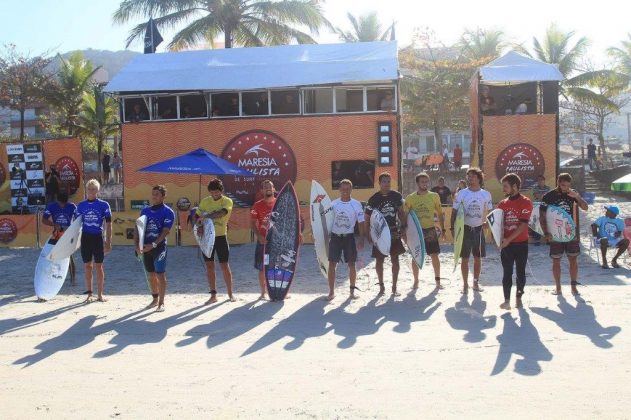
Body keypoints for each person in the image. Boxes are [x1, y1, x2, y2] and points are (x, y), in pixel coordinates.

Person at [540, 173, 589, 296]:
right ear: (558, 182)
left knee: (573, 259)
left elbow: (585, 207)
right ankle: (558, 288)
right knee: (556, 260)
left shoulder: (572, 193)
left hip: (570, 231)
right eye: (563, 185)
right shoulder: (548, 196)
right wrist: (545, 232)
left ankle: (573, 287)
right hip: (555, 232)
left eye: (567, 185)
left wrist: (577, 197)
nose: (565, 188)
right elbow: (541, 215)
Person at [451, 168, 493, 293]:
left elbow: (491, 212)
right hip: (464, 229)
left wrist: (488, 223)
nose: (469, 179)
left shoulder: (486, 194)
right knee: (464, 258)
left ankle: (475, 283)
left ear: (479, 178)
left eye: (472, 176)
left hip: (479, 229)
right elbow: (454, 212)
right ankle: (465, 285)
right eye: (468, 176)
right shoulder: (461, 193)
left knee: (477, 257)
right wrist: (452, 229)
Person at [195, 178, 235, 304]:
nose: (214, 195)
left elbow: (221, 213)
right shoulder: (205, 201)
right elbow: (196, 216)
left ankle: (230, 294)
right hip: (207, 238)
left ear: (221, 191)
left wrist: (205, 217)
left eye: (216, 192)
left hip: (220, 237)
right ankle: (213, 295)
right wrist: (199, 226)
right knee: (209, 266)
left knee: (224, 265)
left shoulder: (227, 201)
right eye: (212, 193)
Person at [366, 172, 406, 296]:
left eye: (389, 181)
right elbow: (367, 218)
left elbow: (401, 212)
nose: (387, 184)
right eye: (384, 181)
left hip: (393, 230)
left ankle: (394, 287)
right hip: (379, 233)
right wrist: (368, 234)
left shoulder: (396, 196)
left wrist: (404, 227)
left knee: (395, 259)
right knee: (379, 260)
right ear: (379, 183)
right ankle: (381, 287)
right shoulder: (373, 199)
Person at [135, 185, 175, 312]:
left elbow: (165, 232)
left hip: (159, 247)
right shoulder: (145, 211)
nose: (154, 196)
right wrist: (137, 245)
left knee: (160, 274)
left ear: (163, 196)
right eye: (153, 193)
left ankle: (161, 303)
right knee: (151, 274)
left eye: (157, 194)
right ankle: (155, 298)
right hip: (145, 247)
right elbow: (138, 228)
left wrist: (153, 245)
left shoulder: (168, 212)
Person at [497, 174, 533, 310]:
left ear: (514, 186)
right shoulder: (502, 203)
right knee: (507, 272)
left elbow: (523, 225)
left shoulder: (526, 202)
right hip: (506, 245)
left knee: (520, 272)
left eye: (505, 186)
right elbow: (496, 222)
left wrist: (508, 240)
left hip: (521, 244)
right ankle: (506, 301)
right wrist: (486, 225)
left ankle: (518, 296)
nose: (503, 189)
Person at [404, 172, 446, 289]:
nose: (425, 184)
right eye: (422, 182)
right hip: (416, 232)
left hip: (430, 230)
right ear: (417, 183)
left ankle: (437, 281)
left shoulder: (434, 196)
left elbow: (439, 213)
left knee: (434, 255)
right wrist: (404, 231)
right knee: (415, 256)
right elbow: (406, 215)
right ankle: (416, 281)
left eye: (426, 181)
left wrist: (443, 229)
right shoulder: (410, 198)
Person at [327, 179, 366, 300]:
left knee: (351, 264)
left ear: (351, 189)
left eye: (348, 189)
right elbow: (327, 221)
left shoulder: (356, 204)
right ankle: (331, 292)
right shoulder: (333, 204)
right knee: (332, 264)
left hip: (349, 237)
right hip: (335, 237)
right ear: (339, 190)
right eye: (343, 189)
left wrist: (361, 238)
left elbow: (361, 222)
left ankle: (352, 292)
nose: (345, 191)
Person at [75, 179, 112, 302]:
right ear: (86, 190)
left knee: (99, 266)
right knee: (87, 266)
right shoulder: (81, 205)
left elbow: (109, 223)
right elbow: (76, 225)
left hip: (97, 238)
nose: (91, 191)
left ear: (97, 190)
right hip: (85, 238)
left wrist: (108, 241)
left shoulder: (104, 205)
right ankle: (90, 294)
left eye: (93, 189)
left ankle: (100, 294)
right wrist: (74, 242)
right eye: (89, 189)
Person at [41, 191, 77, 287]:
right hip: (56, 234)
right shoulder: (51, 206)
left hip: (68, 235)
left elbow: (78, 220)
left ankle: (73, 280)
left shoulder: (72, 206)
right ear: (57, 201)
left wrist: (73, 230)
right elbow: (43, 220)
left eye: (64, 204)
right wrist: (54, 224)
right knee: (52, 256)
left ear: (67, 201)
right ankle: (51, 278)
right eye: (61, 204)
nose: (62, 206)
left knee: (69, 257)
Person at [250, 180, 276, 300]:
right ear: (262, 191)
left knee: (278, 267)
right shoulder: (257, 205)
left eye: (269, 187)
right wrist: (259, 236)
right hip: (263, 242)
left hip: (277, 241)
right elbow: (252, 223)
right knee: (262, 268)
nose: (268, 189)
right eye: (265, 187)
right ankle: (263, 292)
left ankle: (279, 291)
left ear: (274, 189)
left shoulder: (279, 203)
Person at [529, 175, 551, 246]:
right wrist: (544, 196)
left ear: (544, 181)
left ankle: (548, 239)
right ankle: (537, 239)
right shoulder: (535, 188)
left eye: (542, 180)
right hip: (537, 208)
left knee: (547, 222)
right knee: (537, 222)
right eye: (539, 180)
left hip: (546, 207)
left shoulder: (548, 188)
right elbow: (537, 196)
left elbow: (547, 197)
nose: (540, 181)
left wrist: (542, 196)